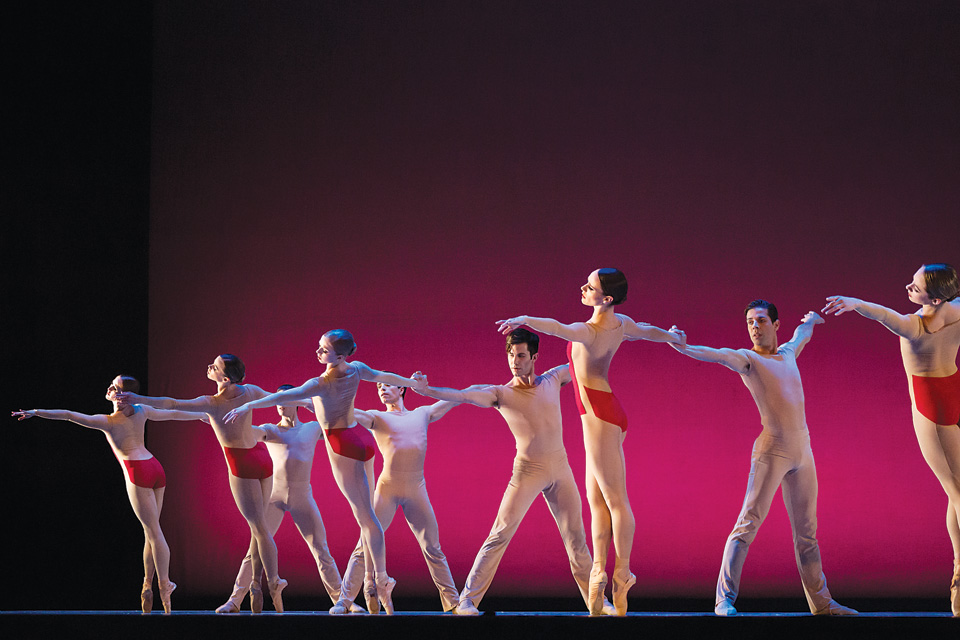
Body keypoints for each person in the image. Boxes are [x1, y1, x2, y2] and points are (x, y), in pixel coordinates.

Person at [496, 268, 683, 615]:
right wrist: (671, 336)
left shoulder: (589, 330)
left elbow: (555, 327)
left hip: (599, 415)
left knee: (615, 500)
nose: (583, 288)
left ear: (606, 298)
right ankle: (599, 569)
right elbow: (647, 331)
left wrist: (523, 318)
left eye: (591, 286)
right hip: (602, 412)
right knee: (596, 499)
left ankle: (622, 572)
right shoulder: (621, 323)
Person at [668, 301, 856, 616]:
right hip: (772, 450)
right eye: (750, 322)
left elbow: (802, 335)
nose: (755, 327)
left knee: (807, 532)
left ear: (775, 325)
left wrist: (810, 320)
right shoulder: (748, 359)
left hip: (802, 451)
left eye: (761, 320)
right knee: (748, 523)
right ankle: (723, 599)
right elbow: (715, 354)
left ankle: (822, 603)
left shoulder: (787, 353)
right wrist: (683, 347)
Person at [413, 328, 615, 616]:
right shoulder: (501, 393)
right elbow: (462, 396)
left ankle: (597, 602)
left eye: (521, 355)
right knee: (500, 533)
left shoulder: (553, 379)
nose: (515, 361)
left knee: (576, 541)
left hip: (560, 469)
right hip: (527, 472)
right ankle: (467, 600)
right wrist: (427, 390)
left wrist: (616, 334)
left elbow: (588, 357)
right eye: (510, 355)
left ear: (534, 357)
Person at [223, 329, 419, 615]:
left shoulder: (317, 393)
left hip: (332, 458)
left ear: (340, 355)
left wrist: (250, 404)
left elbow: (292, 395)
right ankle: (375, 580)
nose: (317, 353)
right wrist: (411, 383)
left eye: (324, 350)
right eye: (319, 347)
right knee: (366, 518)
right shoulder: (354, 370)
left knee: (351, 528)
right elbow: (383, 377)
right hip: (350, 446)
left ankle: (365, 587)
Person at [824, 263, 960, 617]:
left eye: (914, 287)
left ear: (934, 296)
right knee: (956, 488)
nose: (908, 288)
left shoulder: (916, 327)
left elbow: (884, 316)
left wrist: (856, 303)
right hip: (953, 392)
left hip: (931, 406)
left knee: (957, 490)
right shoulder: (957, 309)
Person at [12, 375, 208, 614]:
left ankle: (164, 584)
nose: (108, 388)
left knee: (155, 532)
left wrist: (36, 411)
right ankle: (147, 584)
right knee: (150, 531)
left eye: (113, 387)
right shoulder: (141, 410)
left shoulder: (107, 422)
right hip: (156, 469)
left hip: (138, 473)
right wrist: (200, 415)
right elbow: (173, 414)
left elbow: (69, 415)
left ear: (120, 395)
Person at [116, 354, 288, 612]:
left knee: (260, 529)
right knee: (260, 530)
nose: (209, 367)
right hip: (261, 458)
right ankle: (255, 584)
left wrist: (138, 399)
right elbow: (278, 397)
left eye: (215, 367)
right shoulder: (249, 391)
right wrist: (310, 401)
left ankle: (273, 582)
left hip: (241, 463)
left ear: (226, 379)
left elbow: (171, 403)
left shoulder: (211, 402)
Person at [216, 385, 358, 614]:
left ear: (296, 401)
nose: (280, 405)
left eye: (285, 400)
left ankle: (343, 602)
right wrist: (220, 422)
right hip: (274, 496)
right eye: (277, 401)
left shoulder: (312, 428)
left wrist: (313, 404)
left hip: (302, 496)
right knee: (254, 550)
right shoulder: (269, 430)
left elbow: (339, 423)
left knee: (321, 549)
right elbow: (244, 434)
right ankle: (234, 600)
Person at [334, 378, 462, 613]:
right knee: (364, 544)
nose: (381, 390)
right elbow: (347, 412)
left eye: (386, 385)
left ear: (401, 388)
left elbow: (455, 398)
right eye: (378, 387)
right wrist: (320, 399)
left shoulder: (422, 413)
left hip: (416, 488)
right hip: (388, 488)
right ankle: (344, 601)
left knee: (433, 547)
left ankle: (453, 603)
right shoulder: (377, 417)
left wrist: (428, 389)